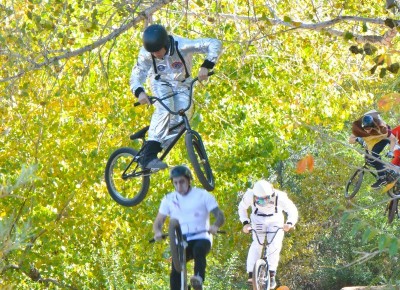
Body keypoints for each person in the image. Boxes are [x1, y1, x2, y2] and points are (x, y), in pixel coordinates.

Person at [130, 24, 223, 169]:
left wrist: (206, 65)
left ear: (165, 44)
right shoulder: (147, 53)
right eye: (152, 52)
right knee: (165, 109)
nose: (156, 55)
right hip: (160, 83)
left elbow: (214, 43)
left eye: (158, 51)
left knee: (182, 119)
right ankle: (149, 155)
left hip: (183, 85)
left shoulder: (182, 45)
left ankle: (155, 141)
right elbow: (137, 73)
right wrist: (139, 92)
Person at [153, 165, 225, 290]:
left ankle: (198, 278)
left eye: (182, 182)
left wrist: (215, 225)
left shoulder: (202, 195)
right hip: (180, 241)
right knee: (176, 270)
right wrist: (158, 231)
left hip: (201, 237)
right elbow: (159, 221)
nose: (179, 186)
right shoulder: (168, 199)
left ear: (189, 180)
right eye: (175, 183)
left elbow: (219, 215)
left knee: (198, 250)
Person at [238, 180, 298, 289]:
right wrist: (245, 223)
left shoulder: (280, 196)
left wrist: (289, 223)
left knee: (275, 244)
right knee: (257, 244)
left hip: (275, 220)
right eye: (259, 199)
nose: (262, 201)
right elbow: (242, 208)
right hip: (258, 220)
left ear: (271, 194)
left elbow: (292, 210)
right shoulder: (249, 195)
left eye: (265, 198)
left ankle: (271, 273)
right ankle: (251, 273)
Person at [349, 110, 397, 188]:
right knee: (368, 159)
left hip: (382, 138)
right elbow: (350, 140)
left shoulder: (381, 128)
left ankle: (382, 178)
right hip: (372, 142)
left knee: (374, 154)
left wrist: (391, 151)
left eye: (369, 128)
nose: (367, 131)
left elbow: (393, 139)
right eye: (365, 129)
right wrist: (357, 139)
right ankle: (386, 169)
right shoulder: (358, 128)